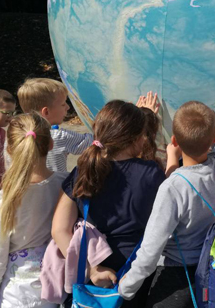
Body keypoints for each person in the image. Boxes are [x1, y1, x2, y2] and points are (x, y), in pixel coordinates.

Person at [118, 101, 215, 307]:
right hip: (214, 265)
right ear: (214, 138)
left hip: (177, 275)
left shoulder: (172, 187)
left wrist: (127, 287)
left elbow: (151, 248)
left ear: (174, 141)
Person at [52, 100, 165, 307]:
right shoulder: (151, 173)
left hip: (92, 278)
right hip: (132, 275)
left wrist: (91, 269)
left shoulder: (83, 171)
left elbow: (59, 229)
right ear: (137, 138)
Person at [0, 112, 67, 308]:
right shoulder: (67, 185)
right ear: (51, 144)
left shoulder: (3, 200)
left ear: (9, 149)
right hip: (57, 288)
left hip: (16, 296)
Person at [5, 78, 93, 172]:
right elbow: (97, 141)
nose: (68, 107)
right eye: (63, 104)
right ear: (46, 112)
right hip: (56, 182)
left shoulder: (13, 136)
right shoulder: (58, 137)